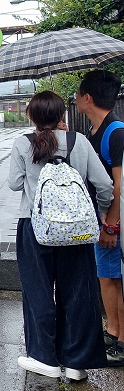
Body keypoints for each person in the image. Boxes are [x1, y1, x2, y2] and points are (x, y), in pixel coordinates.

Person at [9, 90, 111, 380]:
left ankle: (44, 358)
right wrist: (101, 214)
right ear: (62, 116)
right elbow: (104, 185)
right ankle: (77, 362)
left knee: (38, 290)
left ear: (32, 116)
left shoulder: (22, 143)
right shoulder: (80, 142)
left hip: (35, 227)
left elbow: (15, 184)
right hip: (77, 229)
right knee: (79, 291)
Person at [76, 69, 124, 367]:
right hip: (101, 217)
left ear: (88, 98)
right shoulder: (92, 133)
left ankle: (122, 341)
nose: (76, 99)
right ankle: (114, 330)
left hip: (114, 219)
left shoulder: (116, 132)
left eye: (78, 94)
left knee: (118, 277)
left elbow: (119, 185)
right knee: (107, 277)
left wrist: (110, 225)